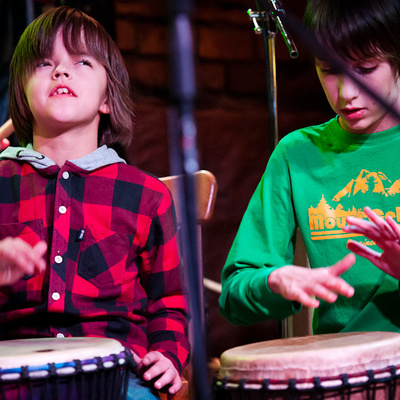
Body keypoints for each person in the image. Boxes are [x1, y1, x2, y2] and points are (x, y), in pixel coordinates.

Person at [0, 6, 189, 399]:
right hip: (12, 378)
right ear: (19, 94)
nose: (61, 72)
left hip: (119, 377)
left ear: (108, 98)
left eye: (81, 61)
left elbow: (169, 301)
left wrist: (168, 356)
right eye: (43, 64)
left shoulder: (146, 195)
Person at [219, 0, 400, 335]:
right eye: (330, 70)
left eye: (365, 69)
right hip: (344, 374)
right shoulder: (297, 154)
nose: (347, 93)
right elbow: (233, 294)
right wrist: (273, 280)